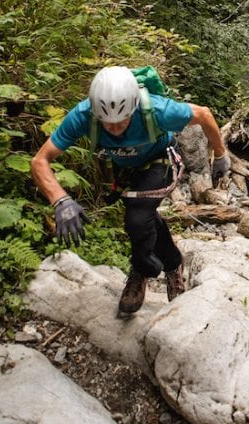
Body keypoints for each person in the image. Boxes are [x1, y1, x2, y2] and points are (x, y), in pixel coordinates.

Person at [31, 66, 231, 315]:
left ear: (134, 107)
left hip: (161, 159)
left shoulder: (157, 110)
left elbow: (204, 114)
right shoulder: (83, 115)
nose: (114, 128)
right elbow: (40, 161)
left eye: (122, 120)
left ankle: (140, 269)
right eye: (107, 123)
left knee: (137, 217)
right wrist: (60, 200)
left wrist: (221, 156)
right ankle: (173, 264)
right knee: (144, 218)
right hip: (125, 169)